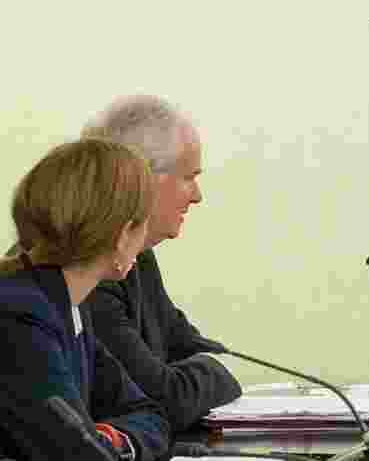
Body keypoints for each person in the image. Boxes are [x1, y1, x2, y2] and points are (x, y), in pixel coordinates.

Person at [78, 95, 242, 432]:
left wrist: (199, 372)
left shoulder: (138, 256)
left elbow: (187, 346)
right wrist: (208, 373)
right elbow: (161, 399)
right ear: (142, 178)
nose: (197, 196)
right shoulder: (83, 269)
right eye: (189, 177)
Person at [0, 139, 170, 461]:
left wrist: (114, 441)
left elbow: (151, 415)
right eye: (143, 223)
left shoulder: (69, 306)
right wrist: (110, 440)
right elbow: (77, 452)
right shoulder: (19, 316)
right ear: (121, 235)